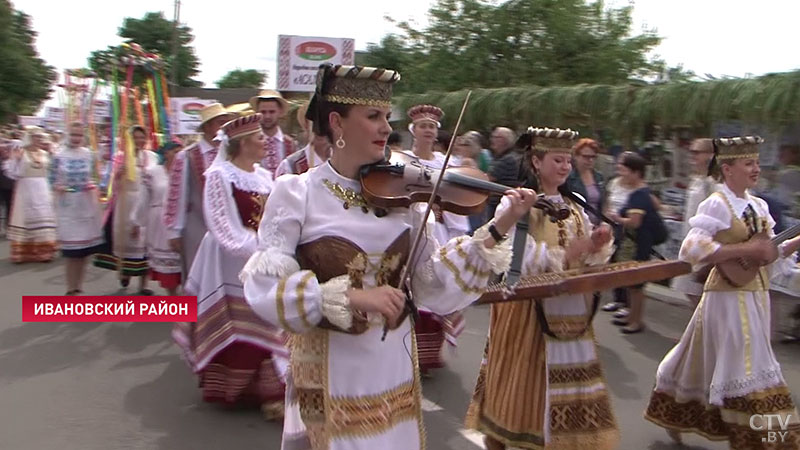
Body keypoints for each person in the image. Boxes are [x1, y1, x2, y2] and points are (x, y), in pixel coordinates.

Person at [241, 63, 535, 450]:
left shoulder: (405, 196)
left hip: (392, 368)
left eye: (386, 116)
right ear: (337, 122)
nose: (385, 127)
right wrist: (351, 297)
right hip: (333, 370)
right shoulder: (297, 192)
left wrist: (498, 227)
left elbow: (431, 285)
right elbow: (265, 287)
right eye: (373, 116)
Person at [466, 127, 617, 450]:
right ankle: (503, 436)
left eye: (567, 161)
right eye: (557, 160)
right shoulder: (518, 203)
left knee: (565, 391)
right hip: (527, 312)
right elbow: (516, 260)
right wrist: (576, 250)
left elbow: (589, 260)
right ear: (536, 162)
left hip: (571, 312)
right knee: (519, 384)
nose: (565, 166)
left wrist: (597, 246)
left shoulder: (576, 205)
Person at [644, 136, 800, 449]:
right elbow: (692, 247)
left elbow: (768, 252)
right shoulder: (717, 202)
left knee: (703, 363)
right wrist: (745, 248)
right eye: (748, 163)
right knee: (745, 367)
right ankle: (769, 440)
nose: (756, 169)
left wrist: (790, 244)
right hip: (726, 298)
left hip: (755, 296)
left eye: (756, 163)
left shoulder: (759, 205)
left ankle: (678, 414)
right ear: (728, 169)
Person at [172, 113, 288, 418]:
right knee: (240, 318)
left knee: (268, 316)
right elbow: (221, 221)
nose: (266, 142)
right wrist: (253, 249)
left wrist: (278, 245)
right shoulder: (219, 175)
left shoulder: (264, 176)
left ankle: (271, 390)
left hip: (264, 254)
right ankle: (233, 387)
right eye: (260, 137)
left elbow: (275, 216)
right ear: (242, 143)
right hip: (227, 257)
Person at [404, 104, 471, 372]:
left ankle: (431, 351)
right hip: (411, 229)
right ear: (414, 131)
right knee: (412, 289)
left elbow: (456, 200)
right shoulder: (402, 159)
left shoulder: (447, 164)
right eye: (423, 126)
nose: (428, 130)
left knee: (438, 286)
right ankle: (409, 349)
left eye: (432, 127)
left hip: (439, 231)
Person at [164, 103, 236, 275]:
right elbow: (177, 195)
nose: (224, 128)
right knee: (197, 273)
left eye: (226, 123)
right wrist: (174, 231)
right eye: (220, 123)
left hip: (228, 228)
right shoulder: (187, 156)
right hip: (197, 226)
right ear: (207, 127)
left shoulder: (231, 154)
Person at [93, 125, 158, 294]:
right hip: (125, 201)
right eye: (135, 137)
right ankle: (125, 272)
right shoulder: (120, 158)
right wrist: (118, 176)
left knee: (145, 242)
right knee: (126, 240)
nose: (139, 141)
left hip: (144, 202)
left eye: (142, 137)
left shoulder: (152, 157)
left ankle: (143, 285)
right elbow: (110, 185)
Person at [608, 152, 663, 334]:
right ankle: (632, 316)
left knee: (636, 285)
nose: (621, 173)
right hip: (637, 243)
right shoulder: (644, 192)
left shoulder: (638, 195)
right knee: (633, 284)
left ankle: (636, 321)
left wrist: (617, 218)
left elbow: (635, 222)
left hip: (639, 244)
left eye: (624, 170)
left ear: (636, 172)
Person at [50, 122, 104, 295]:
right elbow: (51, 179)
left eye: (79, 135)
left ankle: (79, 286)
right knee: (71, 252)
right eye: (73, 134)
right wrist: (61, 188)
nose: (76, 138)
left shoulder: (89, 154)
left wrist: (93, 186)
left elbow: (97, 177)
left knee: (84, 252)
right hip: (68, 205)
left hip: (86, 204)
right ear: (67, 135)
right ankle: (70, 287)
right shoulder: (59, 156)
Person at [670, 138, 719, 306]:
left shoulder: (714, 183)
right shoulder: (697, 180)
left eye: (697, 152)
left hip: (706, 246)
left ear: (711, 155)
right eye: (691, 151)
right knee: (689, 291)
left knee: (703, 297)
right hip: (690, 243)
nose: (692, 156)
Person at [132, 140, 183, 295]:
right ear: (166, 153)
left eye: (181, 151)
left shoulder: (186, 172)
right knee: (168, 268)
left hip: (180, 220)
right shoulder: (152, 172)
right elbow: (143, 199)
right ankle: (172, 297)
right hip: (158, 221)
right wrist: (136, 222)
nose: (179, 155)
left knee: (183, 262)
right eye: (175, 151)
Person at [4, 126, 58, 262]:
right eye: (36, 137)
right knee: (25, 217)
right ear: (29, 138)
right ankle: (23, 253)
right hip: (26, 187)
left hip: (42, 187)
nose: (39, 139)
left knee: (43, 216)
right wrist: (15, 160)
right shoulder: (21, 153)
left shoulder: (44, 153)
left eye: (40, 137)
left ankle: (44, 252)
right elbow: (13, 173)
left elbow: (50, 171)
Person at [275, 102, 332, 177]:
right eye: (316, 122)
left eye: (326, 122)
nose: (321, 128)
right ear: (306, 125)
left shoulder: (343, 164)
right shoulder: (290, 165)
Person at [249, 89, 297, 178]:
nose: (267, 116)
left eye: (272, 112)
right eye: (263, 112)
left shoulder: (290, 143)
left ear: (280, 112)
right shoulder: (250, 142)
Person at [565, 138, 605, 225]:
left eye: (593, 157)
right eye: (586, 157)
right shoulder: (568, 177)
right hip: (576, 225)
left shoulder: (599, 177)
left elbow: (603, 203)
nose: (590, 160)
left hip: (597, 226)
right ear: (576, 156)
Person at [487, 127, 519, 218]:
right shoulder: (502, 157)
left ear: (505, 141)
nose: (492, 140)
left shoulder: (507, 159)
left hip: (499, 205)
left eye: (496, 137)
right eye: (492, 137)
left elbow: (487, 179)